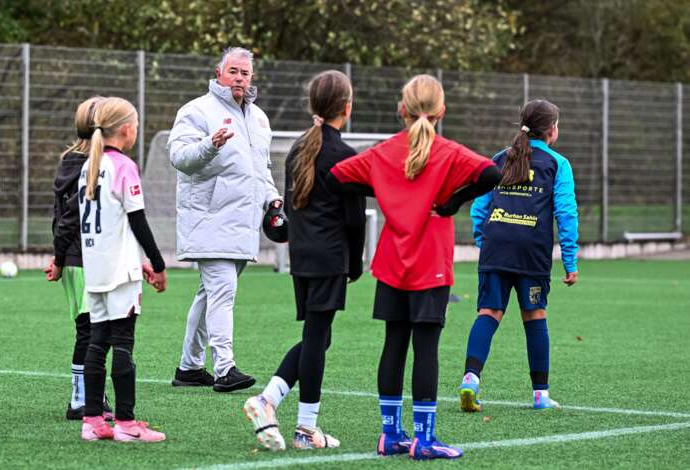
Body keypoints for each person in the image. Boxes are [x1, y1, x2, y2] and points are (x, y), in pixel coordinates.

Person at [327, 74, 502, 460]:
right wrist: (454, 201)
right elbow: (493, 173)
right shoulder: (449, 152)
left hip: (391, 262)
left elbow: (337, 177)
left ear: (401, 110)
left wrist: (385, 189)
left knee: (393, 344)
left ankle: (390, 435)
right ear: (442, 111)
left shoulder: (383, 152)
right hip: (430, 265)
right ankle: (423, 440)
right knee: (426, 349)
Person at [242, 70, 365, 451]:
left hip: (302, 256)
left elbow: (293, 207)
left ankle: (271, 400)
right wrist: (356, 263)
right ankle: (302, 427)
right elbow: (355, 217)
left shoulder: (298, 148)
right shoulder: (343, 155)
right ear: (346, 107)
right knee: (316, 338)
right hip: (329, 258)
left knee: (318, 337)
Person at [168, 46, 282, 392]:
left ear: (252, 78)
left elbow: (260, 169)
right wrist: (211, 145)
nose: (239, 78)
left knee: (209, 295)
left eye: (245, 73)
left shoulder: (259, 118)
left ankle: (189, 368)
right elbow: (179, 157)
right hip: (209, 219)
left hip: (243, 223)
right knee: (222, 293)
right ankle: (225, 368)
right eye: (233, 71)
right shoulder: (196, 111)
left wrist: (272, 198)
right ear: (219, 73)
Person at [459, 99, 579, 413]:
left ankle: (471, 379)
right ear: (552, 130)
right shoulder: (558, 164)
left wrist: (482, 240)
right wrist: (570, 262)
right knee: (535, 316)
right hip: (531, 252)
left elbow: (478, 206)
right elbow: (566, 214)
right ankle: (540, 395)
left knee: (489, 312)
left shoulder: (499, 159)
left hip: (496, 247)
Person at [78, 97, 167, 443]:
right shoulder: (124, 165)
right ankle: (127, 425)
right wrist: (158, 264)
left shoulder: (91, 164)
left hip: (96, 270)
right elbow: (138, 220)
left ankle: (92, 421)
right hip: (120, 273)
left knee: (97, 342)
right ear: (127, 130)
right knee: (124, 344)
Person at [43, 96, 115, 421]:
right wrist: (60, 257)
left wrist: (59, 257)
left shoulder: (68, 161)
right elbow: (70, 217)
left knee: (90, 329)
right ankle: (81, 400)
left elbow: (58, 218)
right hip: (85, 260)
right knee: (91, 330)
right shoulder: (92, 166)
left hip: (75, 260)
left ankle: (90, 394)